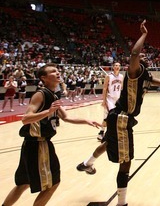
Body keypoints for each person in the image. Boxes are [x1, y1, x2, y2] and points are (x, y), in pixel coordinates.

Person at [76, 20, 160, 206]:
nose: (145, 59)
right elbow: (134, 53)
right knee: (125, 162)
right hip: (122, 117)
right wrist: (144, 34)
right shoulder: (135, 72)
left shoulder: (147, 75)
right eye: (143, 58)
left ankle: (87, 163)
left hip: (116, 115)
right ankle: (121, 202)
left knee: (108, 142)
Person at [2, 63, 100, 206]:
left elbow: (66, 117)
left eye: (58, 70)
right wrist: (47, 112)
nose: (58, 73)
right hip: (38, 145)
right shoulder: (40, 95)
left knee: (23, 183)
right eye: (53, 72)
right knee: (53, 183)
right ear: (44, 78)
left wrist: (86, 120)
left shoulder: (54, 95)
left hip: (33, 145)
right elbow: (25, 119)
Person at [97, 62, 124, 141]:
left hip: (117, 100)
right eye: (116, 65)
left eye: (119, 65)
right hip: (110, 99)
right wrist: (104, 100)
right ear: (113, 67)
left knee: (112, 117)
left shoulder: (121, 76)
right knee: (108, 117)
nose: (117, 67)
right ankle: (102, 133)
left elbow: (121, 88)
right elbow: (105, 88)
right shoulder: (108, 76)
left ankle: (105, 132)